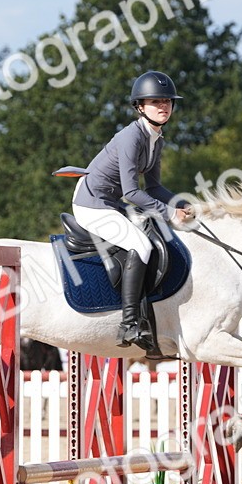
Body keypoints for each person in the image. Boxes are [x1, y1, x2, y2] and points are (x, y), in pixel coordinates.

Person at [71, 70, 194, 351]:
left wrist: (183, 203)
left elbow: (153, 188)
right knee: (141, 245)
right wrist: (170, 214)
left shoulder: (156, 139)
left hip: (112, 202)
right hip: (92, 204)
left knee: (156, 235)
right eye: (155, 102)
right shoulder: (131, 137)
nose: (164, 106)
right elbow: (131, 192)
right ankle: (128, 324)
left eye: (168, 101)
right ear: (140, 106)